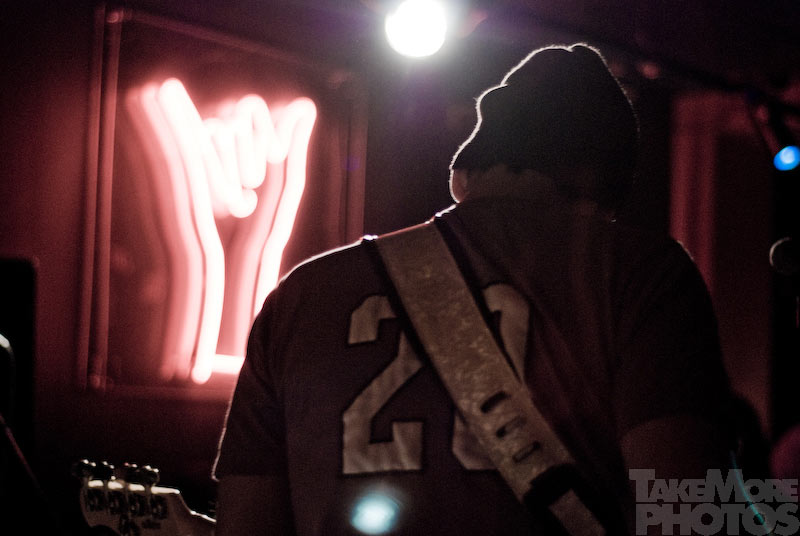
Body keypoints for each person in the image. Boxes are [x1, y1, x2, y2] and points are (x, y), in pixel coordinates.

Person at [213, 44, 734, 535]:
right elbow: (684, 511)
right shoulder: (640, 271)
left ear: (463, 174)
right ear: (600, 185)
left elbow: (245, 522)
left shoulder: (302, 295)